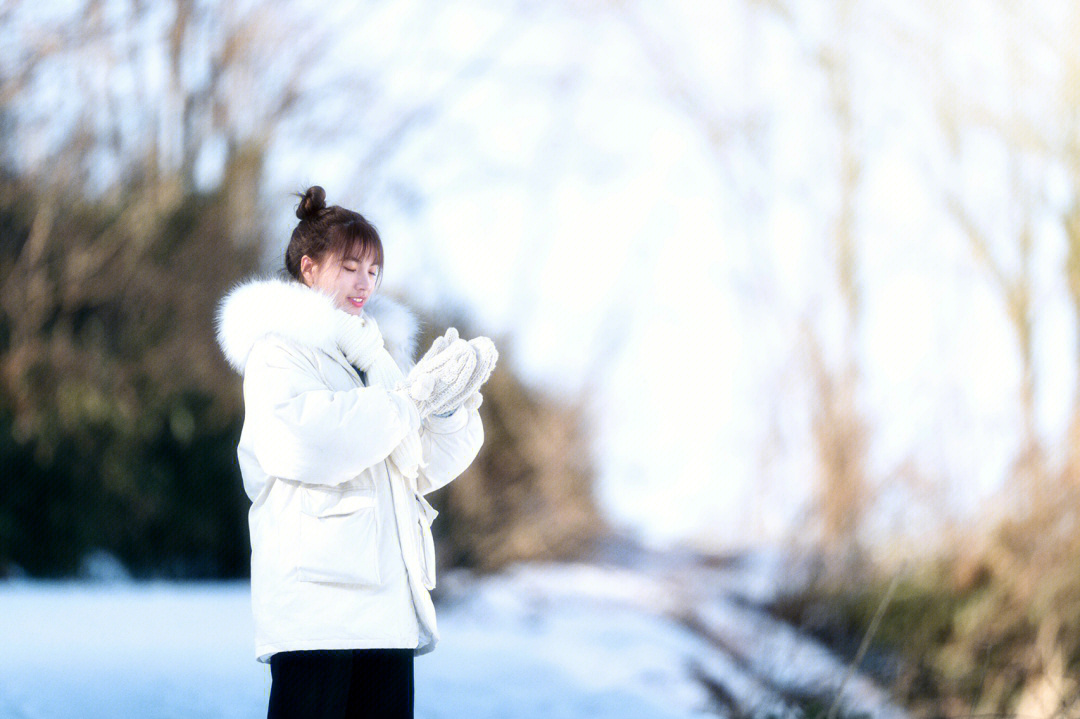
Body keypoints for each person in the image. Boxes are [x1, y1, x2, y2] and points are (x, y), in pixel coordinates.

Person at [215, 185, 496, 719]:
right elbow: (304, 441)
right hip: (318, 605)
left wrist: (445, 409)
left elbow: (418, 468)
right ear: (308, 268)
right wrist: (407, 403)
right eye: (349, 266)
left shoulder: (377, 361)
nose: (364, 282)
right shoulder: (279, 349)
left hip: (387, 604)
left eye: (373, 270)